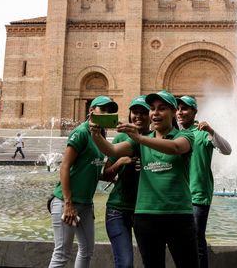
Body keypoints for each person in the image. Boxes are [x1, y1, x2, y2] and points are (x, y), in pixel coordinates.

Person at [90, 90, 198, 268]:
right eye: (153, 109)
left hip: (179, 215)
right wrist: (96, 135)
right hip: (146, 217)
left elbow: (176, 148)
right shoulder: (140, 141)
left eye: (162, 108)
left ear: (173, 112)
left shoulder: (184, 136)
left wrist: (139, 138)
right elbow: (113, 151)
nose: (155, 113)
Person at [48, 95, 117, 268]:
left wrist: (116, 174)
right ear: (91, 110)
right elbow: (65, 167)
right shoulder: (81, 133)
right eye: (103, 109)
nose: (106, 113)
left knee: (87, 250)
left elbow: (91, 169)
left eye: (109, 110)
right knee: (62, 253)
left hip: (85, 205)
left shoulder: (100, 136)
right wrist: (68, 203)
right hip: (66, 202)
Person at [176, 95, 231, 268]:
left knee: (196, 238)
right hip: (178, 196)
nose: (180, 113)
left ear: (194, 111)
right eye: (178, 109)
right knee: (182, 240)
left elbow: (227, 150)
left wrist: (212, 131)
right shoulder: (176, 135)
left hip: (198, 195)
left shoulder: (202, 133)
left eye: (184, 109)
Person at [101, 96, 149, 268]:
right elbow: (105, 174)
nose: (139, 116)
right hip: (118, 209)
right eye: (135, 112)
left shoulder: (156, 139)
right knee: (125, 263)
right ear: (129, 115)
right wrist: (119, 164)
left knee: (151, 261)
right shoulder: (121, 139)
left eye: (144, 112)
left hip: (146, 210)